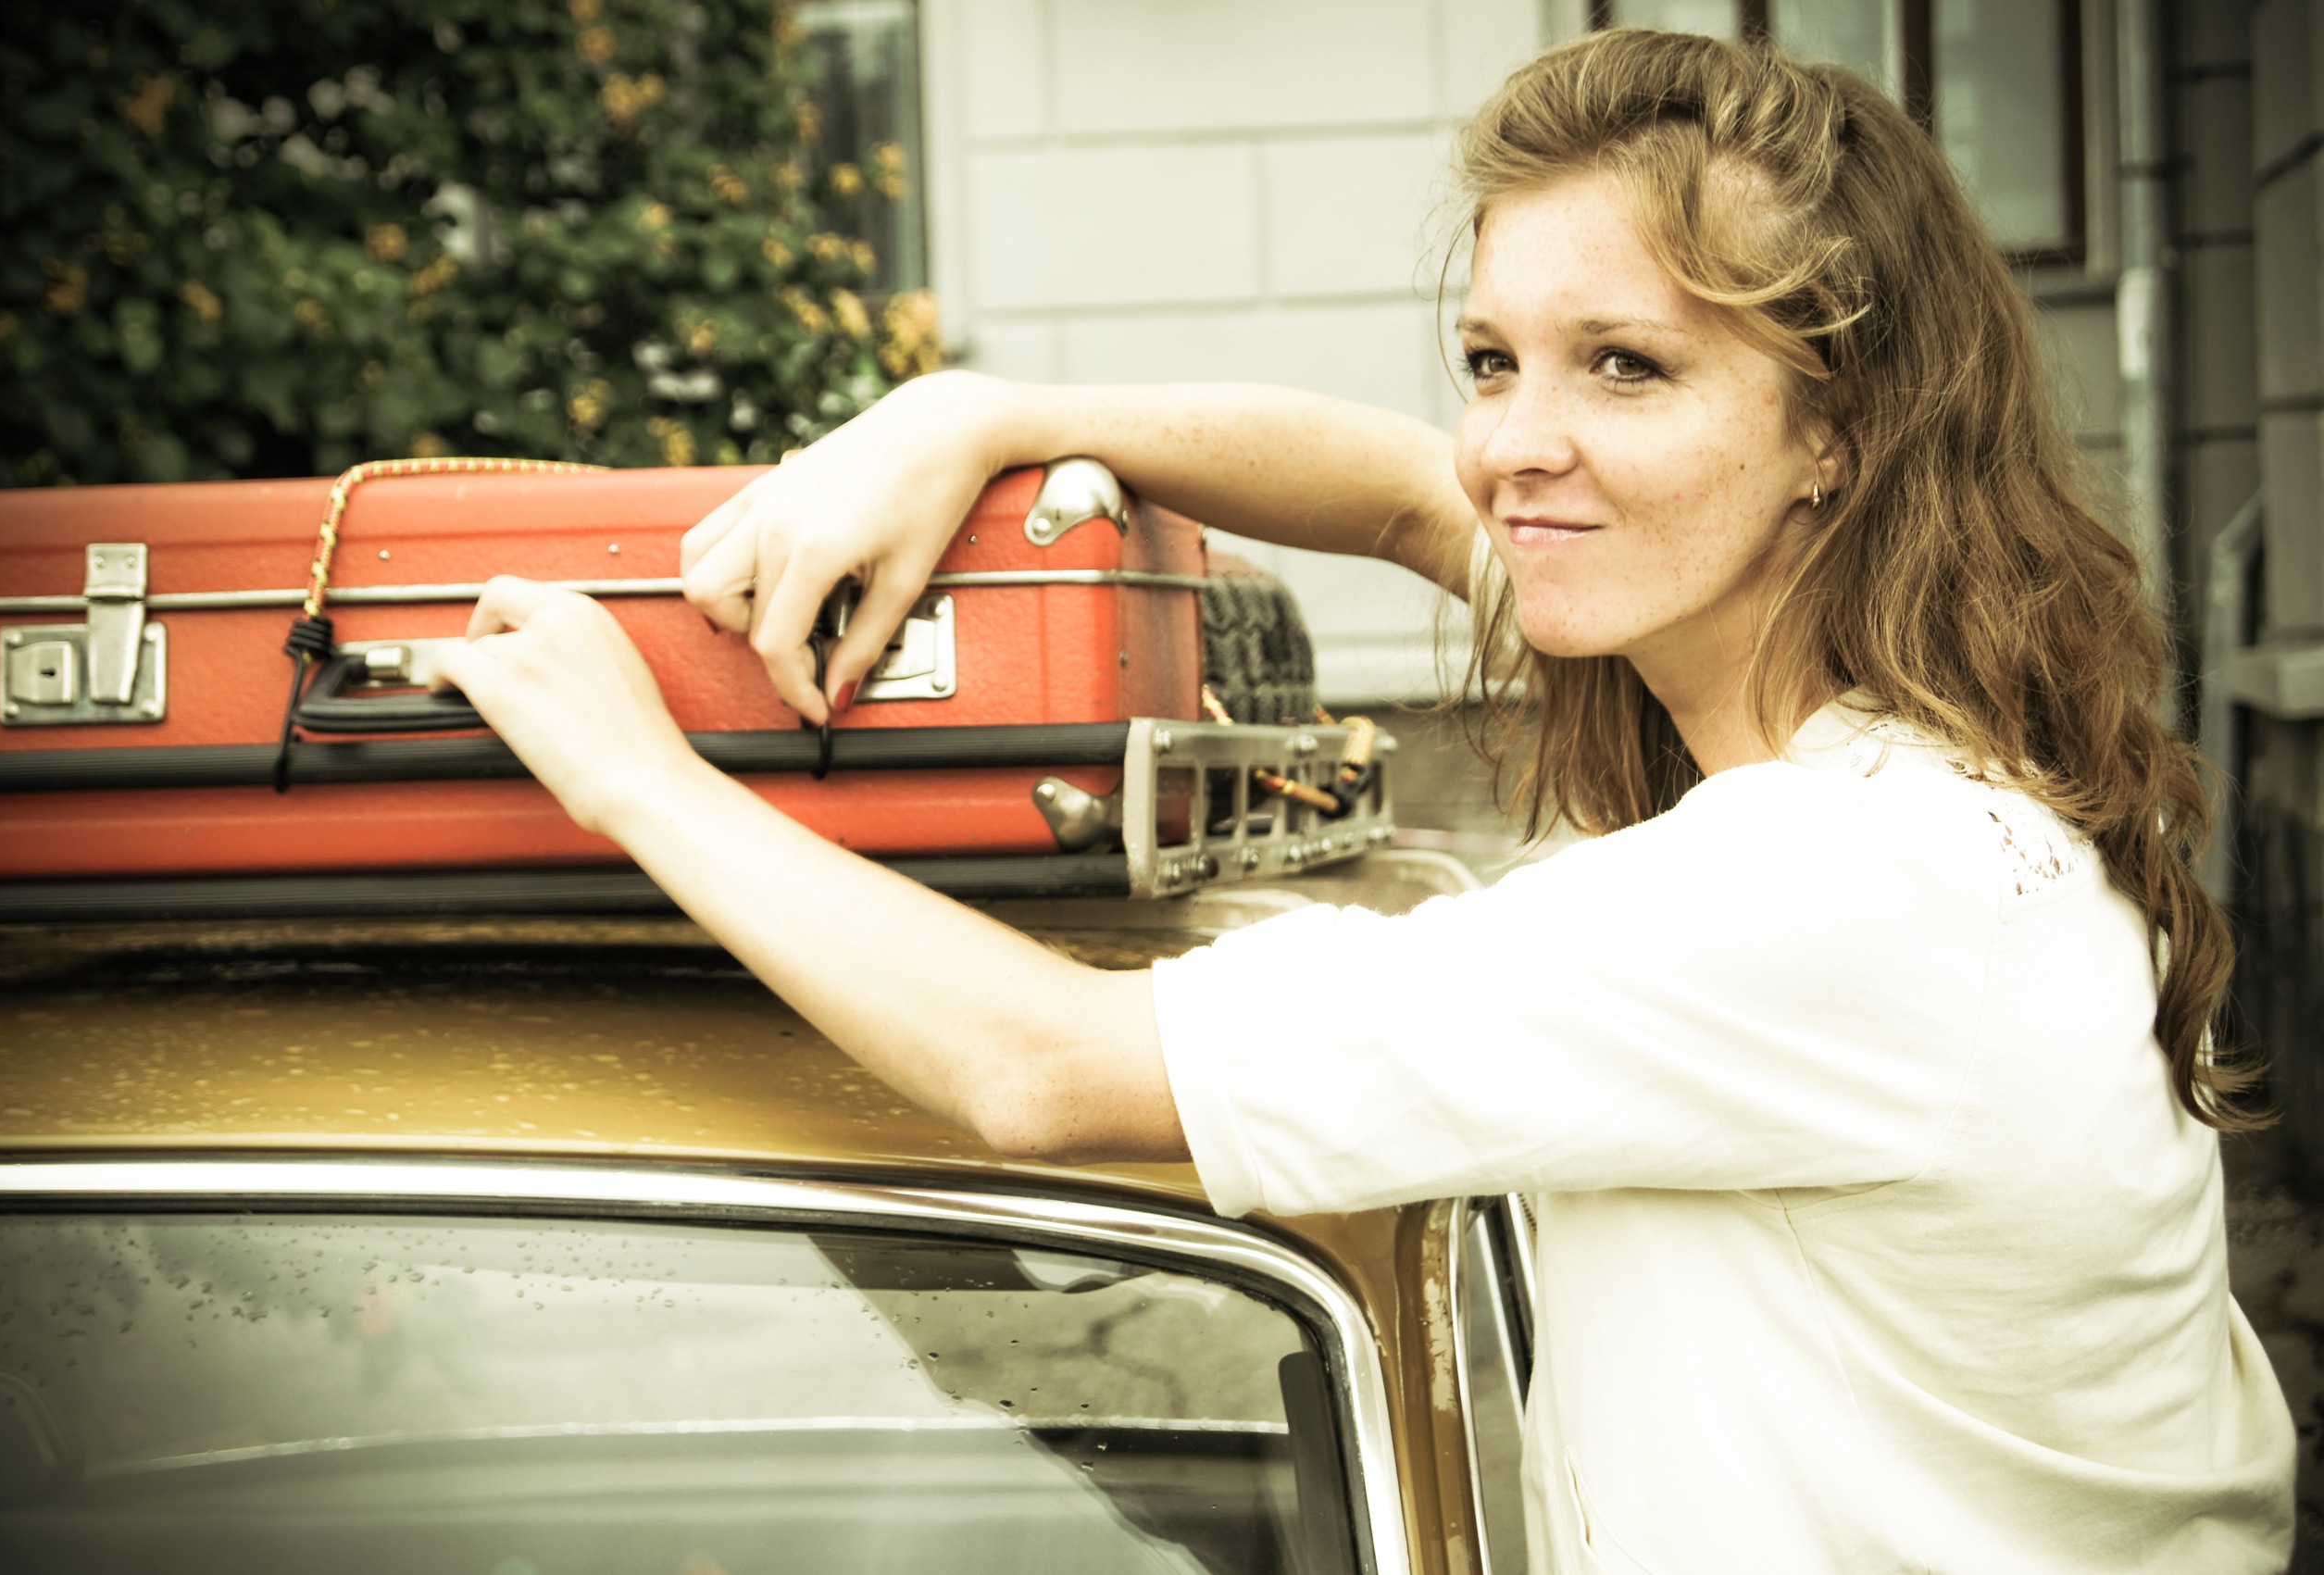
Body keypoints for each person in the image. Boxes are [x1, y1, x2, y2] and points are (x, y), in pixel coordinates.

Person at [433, 28, 2295, 1575]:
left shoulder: (1832, 881)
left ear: (1841, 427)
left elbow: (1042, 1069)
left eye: (1625, 365)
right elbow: (1409, 492)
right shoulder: (1910, 749)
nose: (1513, 444)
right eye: (1492, 359)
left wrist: (633, 773)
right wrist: (979, 415)